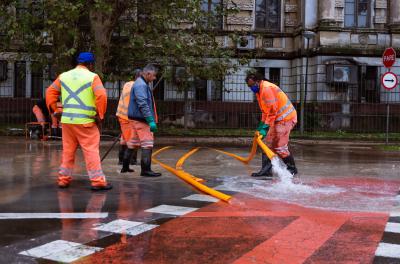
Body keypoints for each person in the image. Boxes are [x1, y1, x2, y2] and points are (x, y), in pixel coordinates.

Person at [46, 52, 112, 190]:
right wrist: (100, 115)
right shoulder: (93, 77)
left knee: (68, 151)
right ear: (91, 64)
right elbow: (102, 96)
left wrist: (55, 111)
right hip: (86, 122)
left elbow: (50, 92)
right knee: (91, 151)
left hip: (67, 122)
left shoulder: (63, 76)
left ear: (78, 62)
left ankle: (63, 180)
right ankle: (97, 181)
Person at [245, 72, 298, 177]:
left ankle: (292, 169)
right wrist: (261, 126)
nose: (251, 88)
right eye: (249, 86)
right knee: (267, 143)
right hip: (277, 119)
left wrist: (265, 127)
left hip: (286, 118)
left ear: (258, 81)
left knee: (280, 146)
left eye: (252, 85)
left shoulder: (267, 89)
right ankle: (266, 171)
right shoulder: (259, 91)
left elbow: (273, 111)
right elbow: (266, 112)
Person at [127, 64, 162, 177]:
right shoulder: (141, 85)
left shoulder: (140, 83)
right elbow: (143, 104)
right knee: (147, 144)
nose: (154, 78)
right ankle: (146, 170)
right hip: (141, 120)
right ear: (148, 74)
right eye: (154, 76)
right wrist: (150, 120)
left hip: (136, 118)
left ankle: (125, 166)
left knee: (133, 143)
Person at [116, 69, 142, 173]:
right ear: (138, 77)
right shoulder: (137, 86)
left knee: (124, 139)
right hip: (129, 117)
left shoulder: (127, 84)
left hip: (122, 115)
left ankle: (121, 160)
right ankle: (131, 161)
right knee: (133, 139)